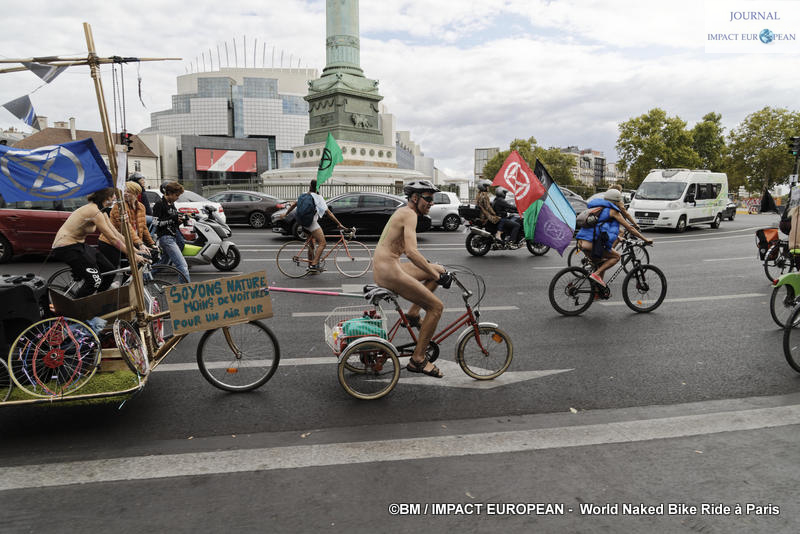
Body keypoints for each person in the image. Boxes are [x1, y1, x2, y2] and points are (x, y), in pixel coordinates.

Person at [372, 179, 448, 378]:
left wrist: (435, 271)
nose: (431, 203)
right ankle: (418, 359)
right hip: (389, 271)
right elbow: (411, 252)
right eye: (428, 199)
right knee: (436, 307)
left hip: (388, 266)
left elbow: (410, 254)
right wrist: (434, 275)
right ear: (415, 197)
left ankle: (413, 314)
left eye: (432, 199)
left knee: (439, 270)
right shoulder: (410, 215)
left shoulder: (404, 212)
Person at [51, 187, 147, 298]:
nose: (115, 198)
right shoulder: (93, 211)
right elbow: (112, 239)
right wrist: (132, 255)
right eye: (113, 195)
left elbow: (116, 234)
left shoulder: (102, 211)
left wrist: (135, 250)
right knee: (94, 280)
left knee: (110, 270)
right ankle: (76, 306)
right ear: (106, 197)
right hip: (65, 247)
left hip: (79, 245)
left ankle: (98, 299)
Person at [575, 188, 653, 287]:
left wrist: (618, 237)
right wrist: (645, 239)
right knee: (616, 257)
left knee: (601, 263)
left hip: (581, 242)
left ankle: (597, 291)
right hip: (590, 243)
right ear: (616, 201)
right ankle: (596, 274)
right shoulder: (613, 211)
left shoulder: (598, 208)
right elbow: (629, 228)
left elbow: (601, 227)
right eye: (620, 200)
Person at [281, 180, 346, 273]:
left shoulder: (304, 194)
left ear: (310, 186)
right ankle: (314, 264)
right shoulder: (318, 198)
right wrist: (339, 224)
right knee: (323, 243)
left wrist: (286, 213)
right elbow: (329, 213)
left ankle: (310, 266)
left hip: (302, 223)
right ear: (318, 187)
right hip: (311, 223)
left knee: (311, 245)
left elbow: (294, 205)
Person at [98, 181, 156, 267]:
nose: (125, 193)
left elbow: (143, 227)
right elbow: (127, 227)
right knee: (112, 270)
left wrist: (151, 243)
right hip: (110, 243)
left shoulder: (141, 207)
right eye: (124, 191)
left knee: (133, 269)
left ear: (136, 193)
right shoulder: (119, 206)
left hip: (128, 242)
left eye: (128, 191)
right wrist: (140, 244)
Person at [152, 181, 190, 283]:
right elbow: (156, 223)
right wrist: (172, 219)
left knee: (162, 264)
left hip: (173, 236)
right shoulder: (159, 204)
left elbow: (172, 221)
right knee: (182, 266)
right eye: (176, 195)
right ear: (169, 193)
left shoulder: (172, 204)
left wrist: (178, 221)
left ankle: (143, 277)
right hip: (166, 238)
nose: (177, 198)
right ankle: (185, 289)